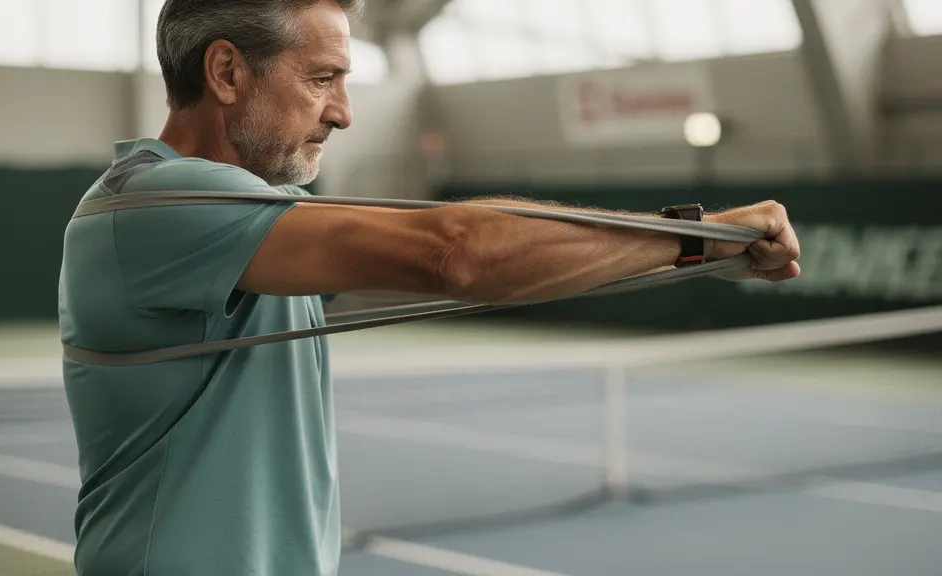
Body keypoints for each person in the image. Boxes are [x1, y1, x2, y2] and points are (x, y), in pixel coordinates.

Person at [58, 0, 802, 574]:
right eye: (321, 79)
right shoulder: (151, 207)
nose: (344, 112)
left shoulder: (254, 222)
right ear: (226, 73)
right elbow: (457, 256)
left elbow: (481, 269)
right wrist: (702, 237)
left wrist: (698, 253)